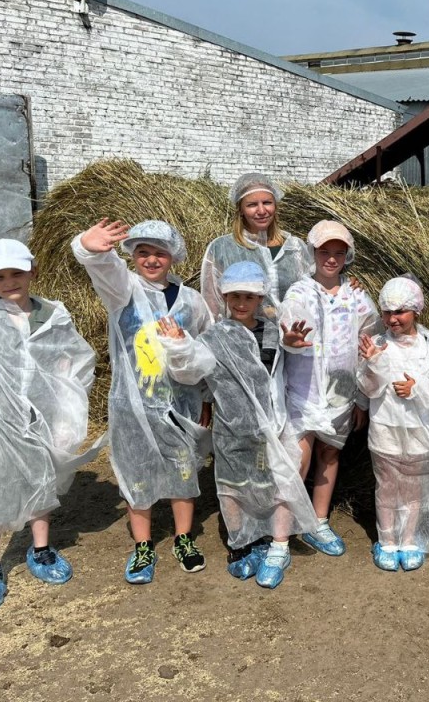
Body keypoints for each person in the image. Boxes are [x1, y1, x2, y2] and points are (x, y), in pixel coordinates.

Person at [0, 239, 97, 609]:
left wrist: (66, 406)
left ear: (33, 272)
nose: (9, 282)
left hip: (40, 418)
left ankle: (41, 549)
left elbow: (73, 359)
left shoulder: (53, 314)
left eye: (17, 273)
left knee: (41, 481)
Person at [156, 261, 318, 588]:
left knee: (276, 484)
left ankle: (276, 545)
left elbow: (276, 372)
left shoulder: (274, 331)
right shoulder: (215, 336)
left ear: (260, 298)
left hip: (271, 424)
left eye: (249, 296)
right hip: (231, 426)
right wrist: (179, 344)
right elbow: (192, 368)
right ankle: (241, 542)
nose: (241, 303)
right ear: (225, 297)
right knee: (232, 488)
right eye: (235, 296)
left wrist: (291, 346)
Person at [72, 218, 213, 583]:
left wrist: (207, 397)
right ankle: (144, 546)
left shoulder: (193, 302)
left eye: (160, 253)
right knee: (137, 476)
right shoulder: (125, 291)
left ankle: (183, 538)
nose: (151, 260)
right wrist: (88, 247)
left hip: (179, 407)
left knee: (184, 474)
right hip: (132, 407)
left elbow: (207, 350)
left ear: (173, 257)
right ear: (132, 256)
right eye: (143, 252)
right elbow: (105, 270)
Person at [281, 221, 382, 556]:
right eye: (325, 251)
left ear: (347, 255)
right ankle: (284, 527)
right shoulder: (298, 292)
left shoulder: (358, 296)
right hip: (303, 389)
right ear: (312, 252)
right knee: (298, 456)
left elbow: (370, 344)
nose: (332, 258)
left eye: (339, 252)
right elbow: (287, 333)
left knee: (330, 452)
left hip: (341, 391)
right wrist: (291, 340)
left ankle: (319, 522)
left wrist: (362, 397)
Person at [356, 276, 429, 572]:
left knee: (415, 490)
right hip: (385, 431)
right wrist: (374, 364)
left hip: (419, 430)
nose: (393, 319)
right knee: (388, 487)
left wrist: (417, 388)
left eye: (400, 312)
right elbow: (368, 388)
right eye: (387, 312)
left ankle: (409, 539)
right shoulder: (377, 344)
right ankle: (388, 540)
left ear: (416, 311)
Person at [200, 173, 310, 320]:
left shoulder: (295, 247)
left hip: (292, 337)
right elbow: (212, 305)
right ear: (241, 210)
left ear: (275, 205)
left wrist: (347, 283)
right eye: (252, 205)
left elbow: (315, 290)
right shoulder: (221, 248)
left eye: (267, 203)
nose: (262, 211)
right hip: (243, 338)